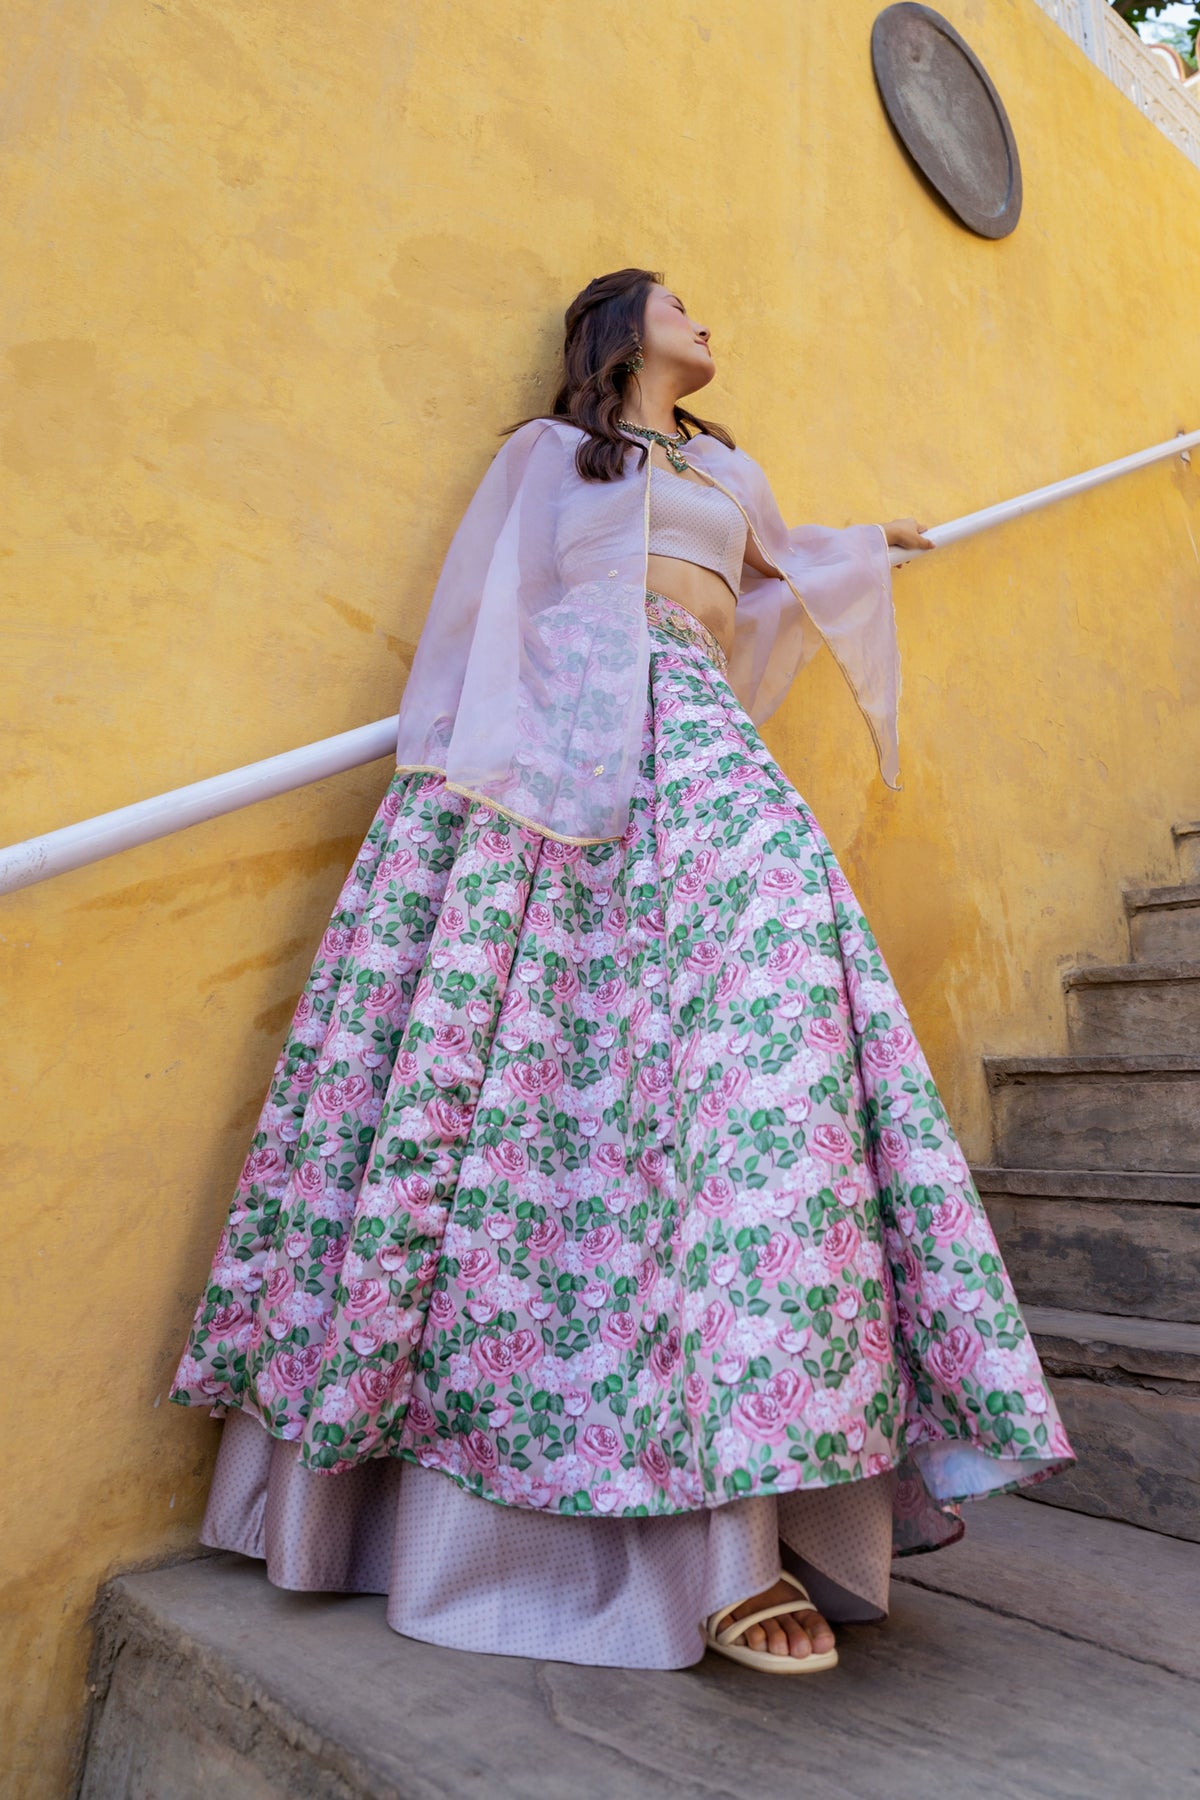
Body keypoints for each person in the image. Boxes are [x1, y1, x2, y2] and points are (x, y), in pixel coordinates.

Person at [171, 268, 1074, 1676]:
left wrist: (865, 542)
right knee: (555, 1080)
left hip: (703, 734)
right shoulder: (548, 457)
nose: (708, 319)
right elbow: (485, 613)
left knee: (770, 1018)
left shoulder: (732, 469)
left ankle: (756, 1466)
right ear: (618, 331)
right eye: (679, 302)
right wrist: (489, 793)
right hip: (557, 752)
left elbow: (779, 566)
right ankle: (669, 1533)